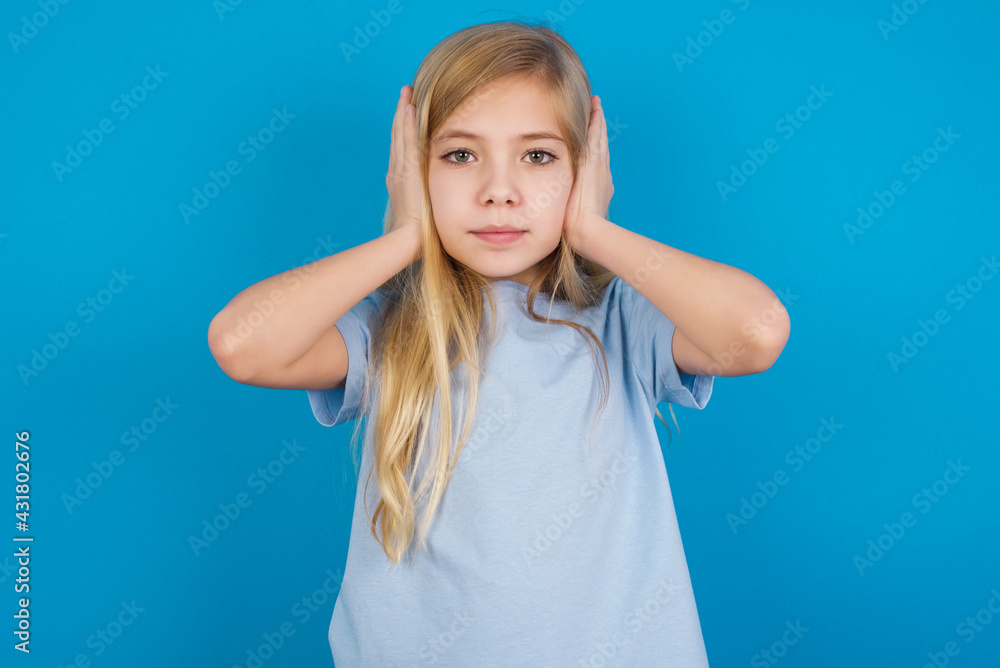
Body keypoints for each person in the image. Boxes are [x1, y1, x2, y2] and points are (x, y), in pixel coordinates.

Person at [208, 19, 790, 666]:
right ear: (414, 170)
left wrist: (593, 228)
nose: (499, 191)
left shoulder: (622, 319)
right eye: (460, 155)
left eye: (538, 156)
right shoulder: (389, 326)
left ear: (584, 168)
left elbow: (756, 334)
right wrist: (406, 234)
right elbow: (242, 344)